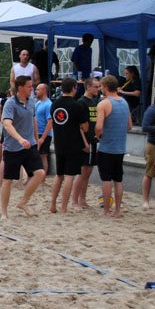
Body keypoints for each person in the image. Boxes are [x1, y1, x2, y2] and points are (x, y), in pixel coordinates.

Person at [0, 75, 45, 219]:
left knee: (40, 173)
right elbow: (7, 125)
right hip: (13, 147)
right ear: (20, 88)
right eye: (29, 86)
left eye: (32, 86)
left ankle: (23, 202)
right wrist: (20, 139)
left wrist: (36, 140)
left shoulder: (31, 101)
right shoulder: (10, 103)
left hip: (30, 145)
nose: (32, 89)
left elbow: (33, 121)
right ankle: (4, 212)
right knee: (8, 180)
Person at [49, 77, 90, 214]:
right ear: (74, 88)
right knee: (69, 176)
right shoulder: (76, 105)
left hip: (59, 142)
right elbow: (85, 127)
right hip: (73, 143)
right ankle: (63, 208)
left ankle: (53, 204)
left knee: (59, 175)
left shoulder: (54, 104)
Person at [94, 75, 132, 217]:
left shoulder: (103, 104)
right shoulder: (124, 102)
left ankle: (106, 210)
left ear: (105, 87)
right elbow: (129, 126)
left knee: (106, 179)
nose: (100, 89)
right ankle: (117, 210)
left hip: (107, 146)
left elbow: (99, 126)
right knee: (118, 179)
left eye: (101, 86)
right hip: (120, 146)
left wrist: (98, 135)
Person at [70, 76, 101, 210]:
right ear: (88, 87)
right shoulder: (81, 102)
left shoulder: (94, 101)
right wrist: (83, 142)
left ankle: (82, 199)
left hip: (93, 139)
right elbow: (79, 125)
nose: (98, 89)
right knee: (82, 171)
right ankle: (74, 200)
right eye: (96, 86)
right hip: (85, 140)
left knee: (88, 171)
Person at [34, 82, 53, 175]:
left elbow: (50, 122)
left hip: (44, 133)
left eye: (38, 89)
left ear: (44, 91)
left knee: (43, 155)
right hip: (36, 132)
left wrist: (43, 138)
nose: (35, 91)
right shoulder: (38, 103)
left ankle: (42, 178)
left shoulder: (48, 104)